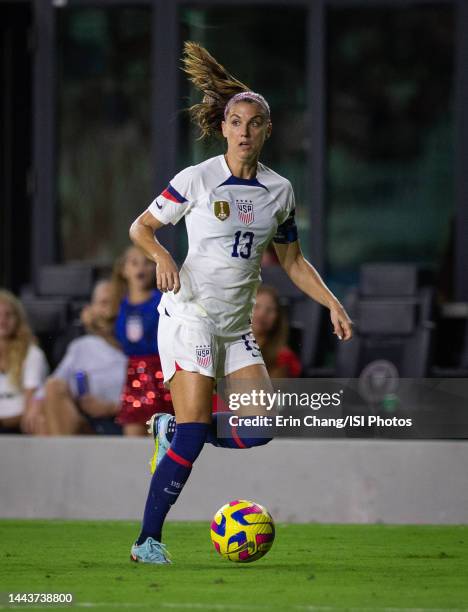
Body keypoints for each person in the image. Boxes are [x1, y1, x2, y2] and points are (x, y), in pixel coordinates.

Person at [127, 42, 353, 564]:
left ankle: (173, 431)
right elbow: (141, 227)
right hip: (192, 315)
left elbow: (293, 261)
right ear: (223, 128)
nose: (244, 131)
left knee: (259, 428)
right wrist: (160, 255)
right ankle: (148, 541)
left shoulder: (280, 191)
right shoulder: (197, 178)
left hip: (235, 325)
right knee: (194, 429)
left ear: (266, 131)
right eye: (235, 121)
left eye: (254, 123)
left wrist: (332, 303)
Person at [40, 279, 127, 435]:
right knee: (52, 389)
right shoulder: (81, 346)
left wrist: (110, 407)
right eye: (103, 303)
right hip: (89, 424)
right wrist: (34, 406)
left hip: (128, 423)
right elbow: (52, 386)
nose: (109, 311)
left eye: (115, 303)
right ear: (91, 309)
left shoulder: (140, 344)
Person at [112, 246, 173, 436]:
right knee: (133, 435)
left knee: (163, 434)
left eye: (147, 263)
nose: (141, 268)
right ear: (124, 270)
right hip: (134, 376)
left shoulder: (164, 301)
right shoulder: (118, 305)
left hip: (161, 374)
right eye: (134, 263)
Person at [0, 290, 48, 434]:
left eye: (8, 315)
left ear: (18, 319)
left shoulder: (33, 354)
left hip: (19, 426)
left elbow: (30, 405)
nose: (2, 320)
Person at [252, 284, 301, 378]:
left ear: (277, 318)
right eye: (256, 306)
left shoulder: (283, 357)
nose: (262, 314)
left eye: (270, 310)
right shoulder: (227, 349)